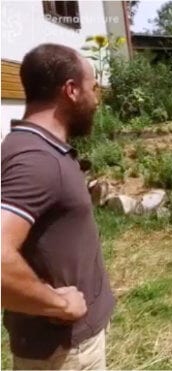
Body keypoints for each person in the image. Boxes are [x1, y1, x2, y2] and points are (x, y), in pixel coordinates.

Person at [1, 44, 114, 370]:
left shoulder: (33, 147)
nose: (96, 99)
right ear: (71, 90)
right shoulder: (37, 159)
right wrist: (59, 304)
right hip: (64, 354)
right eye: (93, 88)